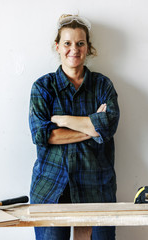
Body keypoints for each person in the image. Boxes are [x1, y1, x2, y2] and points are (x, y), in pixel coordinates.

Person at [28, 14, 120, 240]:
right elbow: (43, 135)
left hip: (97, 189)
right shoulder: (43, 87)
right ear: (57, 47)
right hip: (51, 190)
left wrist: (62, 120)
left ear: (88, 48)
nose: (74, 49)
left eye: (80, 43)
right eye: (67, 43)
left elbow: (108, 127)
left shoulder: (102, 85)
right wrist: (91, 128)